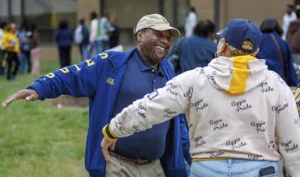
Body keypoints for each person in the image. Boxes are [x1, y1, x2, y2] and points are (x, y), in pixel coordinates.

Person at [100, 19, 300, 177]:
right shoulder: (276, 85)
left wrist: (113, 130)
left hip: (207, 169)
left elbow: (151, 107)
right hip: (261, 169)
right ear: (255, 51)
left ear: (222, 45)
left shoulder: (196, 79)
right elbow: (292, 142)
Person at [2, 14, 191, 177]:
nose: (165, 42)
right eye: (159, 34)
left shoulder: (168, 71)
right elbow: (72, 75)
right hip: (117, 166)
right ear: (140, 35)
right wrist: (39, 87)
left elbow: (177, 118)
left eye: (168, 37)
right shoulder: (111, 64)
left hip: (155, 168)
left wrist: (189, 154)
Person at [257, 18, 297, 86]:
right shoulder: (283, 42)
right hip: (279, 81)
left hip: (260, 81)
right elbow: (289, 66)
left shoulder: (257, 40)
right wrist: (294, 83)